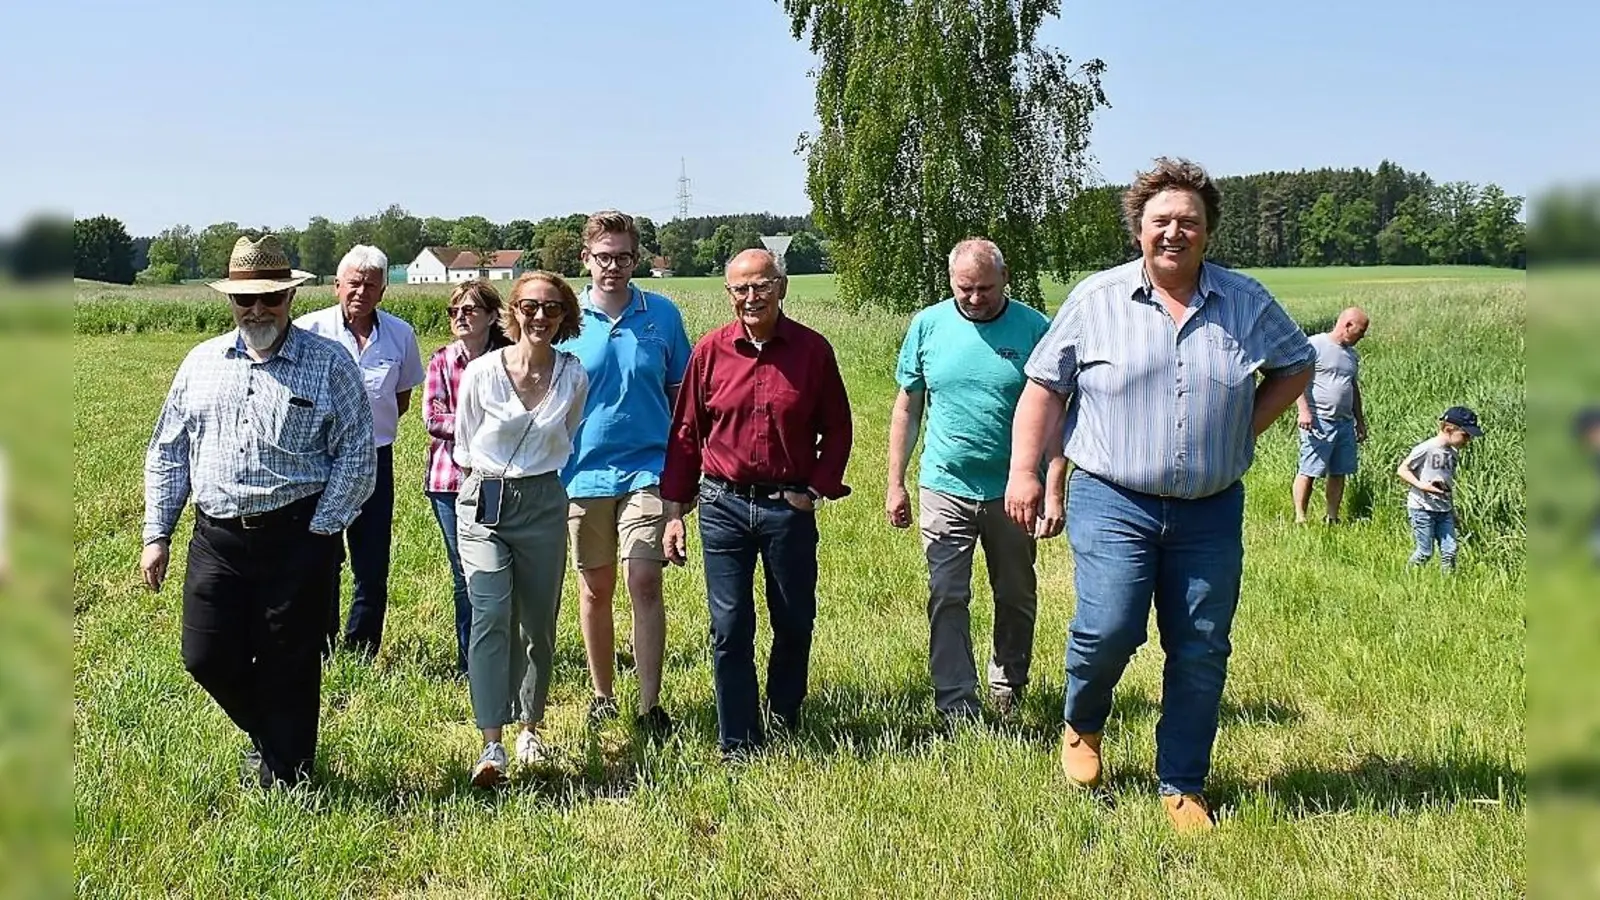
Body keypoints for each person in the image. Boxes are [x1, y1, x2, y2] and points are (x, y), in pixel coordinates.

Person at [1005, 157, 1315, 832]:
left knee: (1201, 644)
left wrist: (1246, 426)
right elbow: (1043, 386)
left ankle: (1181, 783)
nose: (1175, 232)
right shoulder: (1098, 299)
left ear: (1208, 232)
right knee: (1110, 625)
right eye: (1161, 221)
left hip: (1210, 508)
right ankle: (1084, 722)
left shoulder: (1246, 301)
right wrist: (1025, 472)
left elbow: (1297, 364)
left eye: (1189, 222)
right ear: (1139, 229)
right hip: (1114, 498)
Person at [140, 235, 376, 789]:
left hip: (297, 534)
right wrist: (158, 533)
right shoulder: (201, 363)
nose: (258, 310)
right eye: (246, 299)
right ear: (230, 300)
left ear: (290, 298)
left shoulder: (329, 364)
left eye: (270, 298)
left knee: (289, 661)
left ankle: (288, 774)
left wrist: (321, 531)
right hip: (216, 538)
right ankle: (272, 737)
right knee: (204, 656)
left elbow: (358, 454)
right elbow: (169, 450)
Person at [660, 248, 853, 758]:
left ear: (781, 287)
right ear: (729, 294)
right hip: (723, 505)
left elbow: (837, 429)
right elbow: (686, 434)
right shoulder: (710, 351)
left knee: (793, 618)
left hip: (787, 509)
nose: (751, 297)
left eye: (761, 286)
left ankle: (785, 712)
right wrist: (675, 512)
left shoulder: (812, 352)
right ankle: (738, 738)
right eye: (740, 289)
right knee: (729, 626)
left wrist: (814, 489)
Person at [887, 237, 1064, 722]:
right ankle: (955, 702)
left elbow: (1055, 414)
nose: (974, 298)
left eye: (985, 288)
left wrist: (1052, 486)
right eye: (964, 288)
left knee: (1016, 592)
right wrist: (895, 481)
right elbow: (908, 407)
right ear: (951, 283)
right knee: (947, 593)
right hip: (944, 483)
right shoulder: (927, 325)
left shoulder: (1034, 329)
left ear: (1004, 280)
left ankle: (1008, 685)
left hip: (1014, 489)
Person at [557, 210, 693, 736]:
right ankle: (601, 693)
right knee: (595, 587)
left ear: (636, 260)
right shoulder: (566, 320)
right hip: (581, 474)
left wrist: (684, 473)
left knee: (645, 578)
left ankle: (649, 703)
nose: (613, 267)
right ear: (586, 259)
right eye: (603, 257)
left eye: (623, 257)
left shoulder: (661, 315)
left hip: (648, 470)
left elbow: (681, 397)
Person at [453, 271, 589, 787]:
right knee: (490, 612)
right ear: (513, 311)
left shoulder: (573, 376)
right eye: (530, 306)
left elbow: (567, 433)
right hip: (485, 499)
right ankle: (491, 745)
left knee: (538, 621)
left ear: (564, 317)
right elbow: (464, 444)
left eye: (552, 309)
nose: (540, 317)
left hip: (544, 501)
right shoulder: (483, 373)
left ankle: (530, 727)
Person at [296, 245, 425, 659]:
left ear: (383, 290)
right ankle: (322, 644)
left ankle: (363, 648)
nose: (361, 291)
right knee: (323, 554)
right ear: (337, 286)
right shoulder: (308, 331)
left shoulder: (401, 335)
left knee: (371, 561)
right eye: (354, 283)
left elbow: (400, 399)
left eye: (371, 284)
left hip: (374, 459)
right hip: (320, 461)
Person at [422, 280, 513, 678]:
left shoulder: (510, 361)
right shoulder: (441, 360)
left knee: (499, 569)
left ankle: (505, 654)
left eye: (470, 309)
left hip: (499, 481)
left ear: (493, 317)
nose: (459, 316)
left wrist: (473, 423)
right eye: (454, 310)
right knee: (464, 573)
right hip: (449, 483)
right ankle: (469, 661)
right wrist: (486, 424)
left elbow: (518, 415)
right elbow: (432, 419)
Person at [1293, 307, 1370, 523]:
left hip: (1344, 423)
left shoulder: (1351, 356)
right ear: (1347, 325)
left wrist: (1360, 422)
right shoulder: (1314, 345)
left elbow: (1353, 389)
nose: (1362, 336)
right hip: (1317, 422)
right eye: (1360, 331)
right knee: (1309, 469)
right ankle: (1300, 517)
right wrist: (1304, 411)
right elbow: (1295, 379)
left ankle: (1332, 517)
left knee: (1339, 471)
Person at [1397, 406, 1483, 572]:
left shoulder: (1453, 453)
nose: (1468, 440)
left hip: (1444, 509)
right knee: (1425, 552)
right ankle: (1407, 576)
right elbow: (1402, 470)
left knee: (1450, 550)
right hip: (1422, 508)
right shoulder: (1426, 448)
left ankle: (1448, 582)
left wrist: (1452, 510)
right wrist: (1423, 486)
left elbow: (1447, 484)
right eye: (1466, 435)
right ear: (1449, 429)